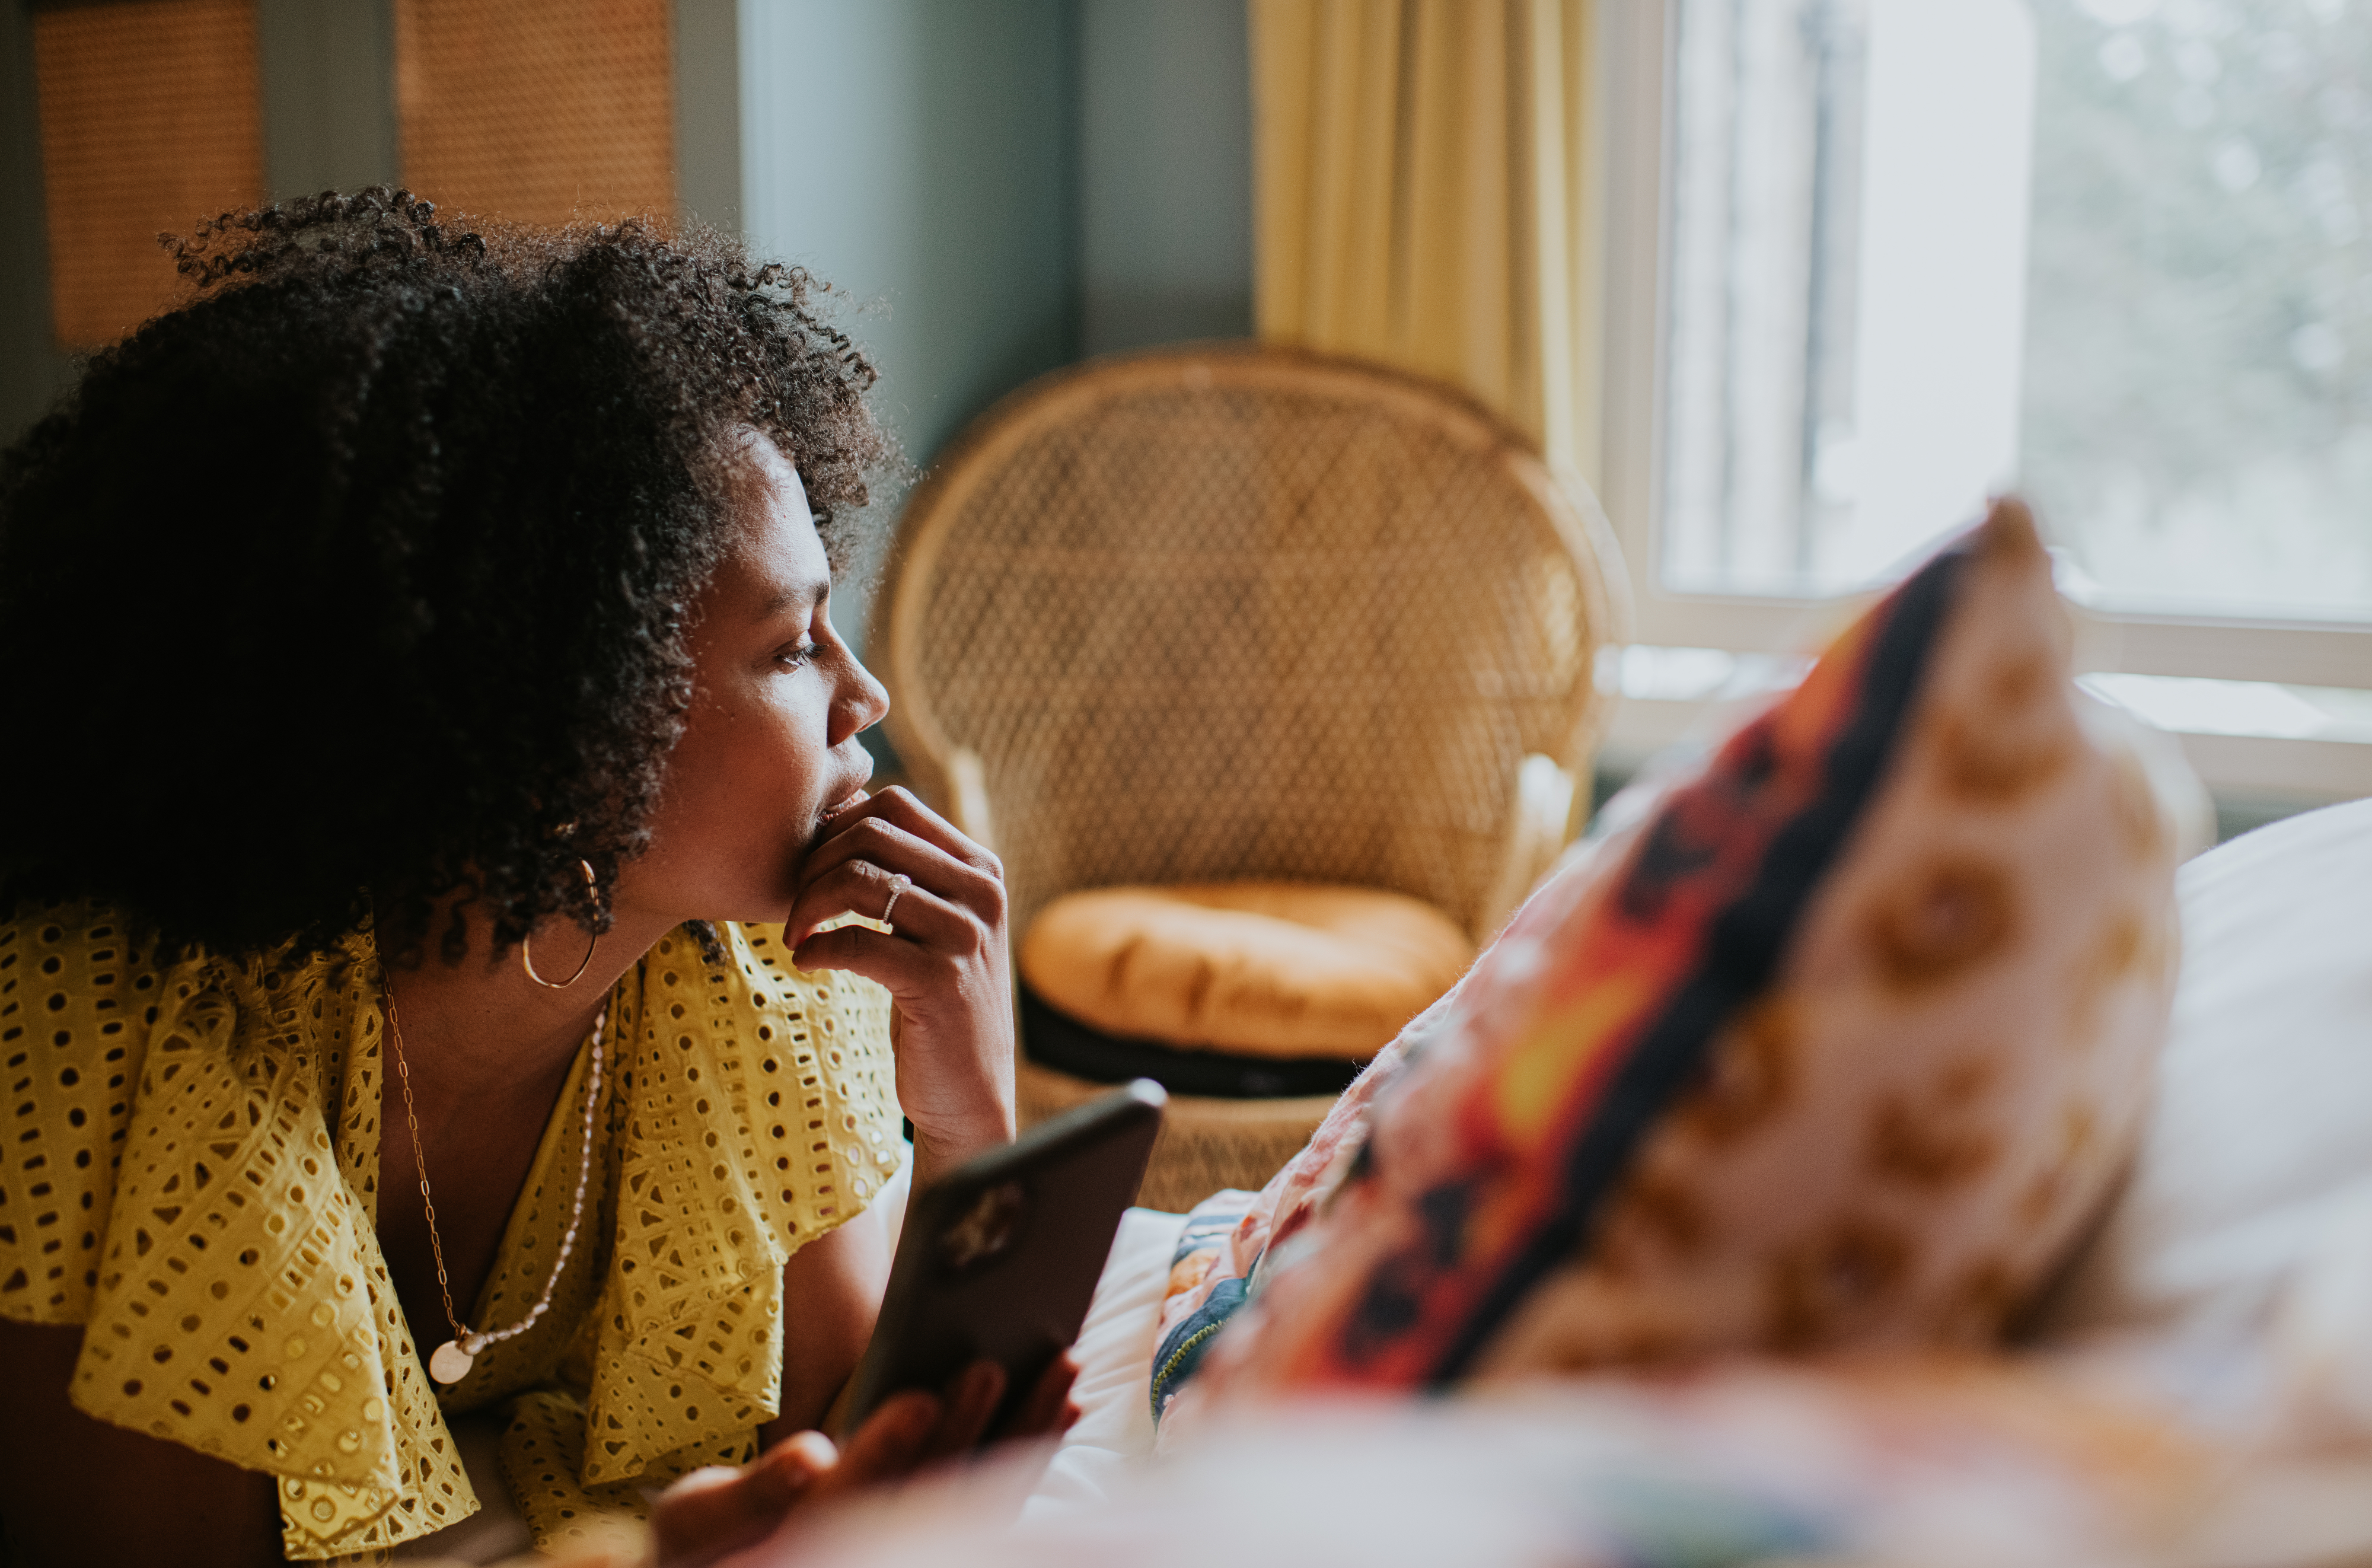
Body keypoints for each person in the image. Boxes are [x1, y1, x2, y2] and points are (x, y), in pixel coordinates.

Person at [0, 188, 1069, 1567]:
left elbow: (865, 1463)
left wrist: (974, 1122)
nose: (862, 693)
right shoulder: (98, 1045)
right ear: (568, 713)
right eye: (794, 644)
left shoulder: (775, 990)